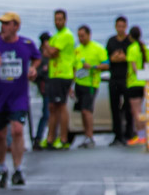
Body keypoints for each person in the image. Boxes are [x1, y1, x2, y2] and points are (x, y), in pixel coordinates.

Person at [0, 12, 41, 188]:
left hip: (18, 96)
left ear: (16, 26)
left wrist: (34, 69)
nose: (2, 27)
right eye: (1, 24)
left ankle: (18, 169)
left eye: (6, 23)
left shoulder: (26, 44)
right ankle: (2, 167)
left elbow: (38, 58)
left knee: (18, 130)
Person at [41, 9, 75, 150]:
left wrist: (47, 45)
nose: (57, 22)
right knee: (52, 107)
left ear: (65, 20)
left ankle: (63, 138)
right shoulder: (56, 36)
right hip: (54, 74)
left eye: (60, 19)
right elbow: (45, 53)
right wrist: (48, 48)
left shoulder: (66, 35)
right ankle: (50, 138)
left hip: (63, 74)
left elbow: (52, 52)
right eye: (56, 19)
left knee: (61, 106)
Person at [73, 25, 107, 149]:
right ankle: (86, 135)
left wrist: (93, 67)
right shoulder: (77, 49)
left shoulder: (98, 48)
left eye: (83, 36)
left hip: (91, 84)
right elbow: (74, 67)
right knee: (81, 111)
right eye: (79, 36)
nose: (81, 38)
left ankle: (90, 136)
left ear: (89, 35)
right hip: (79, 83)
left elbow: (106, 65)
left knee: (87, 110)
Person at [106, 16, 133, 146]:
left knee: (128, 107)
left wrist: (121, 58)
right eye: (118, 26)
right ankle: (117, 135)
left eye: (123, 26)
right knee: (114, 108)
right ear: (115, 27)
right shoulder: (111, 41)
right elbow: (110, 59)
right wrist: (118, 58)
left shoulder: (130, 41)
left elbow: (129, 58)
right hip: (114, 78)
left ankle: (129, 134)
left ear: (126, 27)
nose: (120, 29)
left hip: (127, 79)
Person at [126, 25, 149, 145]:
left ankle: (141, 135)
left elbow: (134, 68)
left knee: (136, 111)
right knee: (140, 109)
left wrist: (137, 75)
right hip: (144, 83)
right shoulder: (144, 48)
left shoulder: (132, 48)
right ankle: (144, 134)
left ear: (130, 36)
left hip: (134, 83)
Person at [32, 32, 51, 149]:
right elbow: (35, 75)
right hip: (46, 89)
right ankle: (38, 138)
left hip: (55, 87)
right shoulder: (40, 58)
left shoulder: (51, 55)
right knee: (46, 114)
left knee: (51, 115)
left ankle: (50, 138)